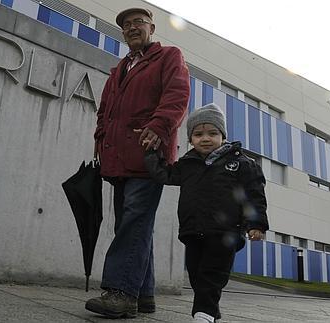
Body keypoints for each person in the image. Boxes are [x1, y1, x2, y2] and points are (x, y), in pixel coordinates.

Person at [85, 7, 191, 319]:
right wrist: (99, 137)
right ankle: (144, 296)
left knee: (134, 221)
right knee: (132, 223)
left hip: (148, 154)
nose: (132, 28)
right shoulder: (118, 70)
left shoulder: (169, 56)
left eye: (138, 23)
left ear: (151, 28)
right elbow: (105, 111)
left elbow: (177, 94)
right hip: (117, 157)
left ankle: (121, 292)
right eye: (126, 25)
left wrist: (159, 126)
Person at [143, 103, 269, 322]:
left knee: (212, 274)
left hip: (225, 233)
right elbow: (165, 175)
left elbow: (254, 195)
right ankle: (211, 308)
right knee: (195, 274)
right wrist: (152, 152)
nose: (205, 138)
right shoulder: (187, 163)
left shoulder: (241, 163)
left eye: (213, 133)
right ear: (191, 139)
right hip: (193, 229)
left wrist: (256, 224)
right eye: (198, 134)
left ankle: (204, 314)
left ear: (223, 136)